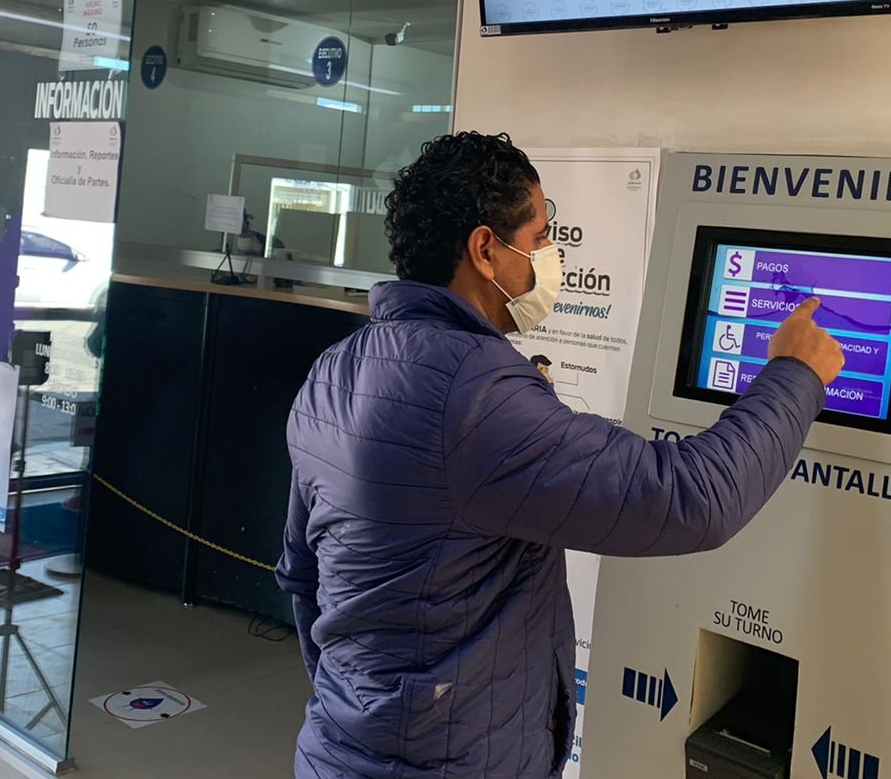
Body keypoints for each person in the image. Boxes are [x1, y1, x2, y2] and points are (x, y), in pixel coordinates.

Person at [277, 132, 844, 779]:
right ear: (486, 250)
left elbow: (302, 575)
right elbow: (693, 499)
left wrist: (369, 710)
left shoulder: (337, 368)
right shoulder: (473, 392)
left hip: (339, 745)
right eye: (541, 237)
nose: (551, 256)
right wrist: (795, 374)